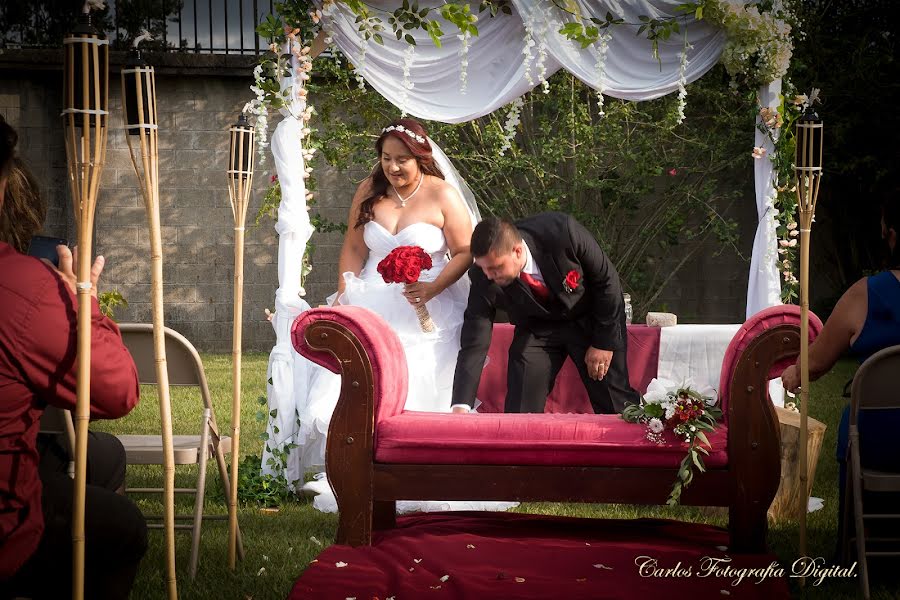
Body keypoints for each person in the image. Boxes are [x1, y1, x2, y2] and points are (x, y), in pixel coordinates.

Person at [288, 118, 516, 513]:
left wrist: (432, 287)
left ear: (420, 158)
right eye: (386, 158)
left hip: (429, 302)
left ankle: (425, 469)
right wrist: (346, 295)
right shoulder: (369, 191)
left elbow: (464, 251)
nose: (393, 167)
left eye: (402, 160)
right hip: (372, 301)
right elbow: (356, 250)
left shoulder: (442, 194)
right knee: (365, 383)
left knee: (420, 379)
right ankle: (361, 467)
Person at [0, 114, 147, 599]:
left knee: (102, 455)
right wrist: (82, 302)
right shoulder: (22, 287)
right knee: (121, 526)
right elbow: (117, 391)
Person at [781, 196, 900, 554]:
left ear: (890, 235)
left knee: (859, 423)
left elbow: (812, 366)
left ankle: (858, 549)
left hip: (881, 441)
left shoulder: (865, 295)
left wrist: (791, 373)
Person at [451, 213, 640, 415]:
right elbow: (474, 339)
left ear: (517, 251)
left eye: (496, 268)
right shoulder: (483, 275)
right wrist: (461, 404)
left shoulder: (562, 232)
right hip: (537, 328)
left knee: (616, 404)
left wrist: (604, 343)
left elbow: (607, 282)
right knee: (520, 410)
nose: (489, 275)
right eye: (484, 268)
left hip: (590, 319)